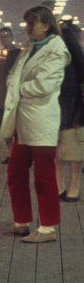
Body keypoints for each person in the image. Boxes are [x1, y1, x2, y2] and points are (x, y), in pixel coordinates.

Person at [0, 5, 70, 243]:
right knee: (15, 172)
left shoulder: (56, 50)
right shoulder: (29, 49)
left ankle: (48, 228)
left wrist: (18, 90)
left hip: (41, 121)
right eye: (27, 23)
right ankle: (22, 222)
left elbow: (44, 86)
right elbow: (13, 76)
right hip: (23, 121)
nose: (28, 28)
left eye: (32, 23)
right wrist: (17, 87)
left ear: (46, 25)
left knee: (44, 176)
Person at [56, 21, 84, 202]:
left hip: (76, 103)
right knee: (60, 145)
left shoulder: (80, 57)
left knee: (70, 145)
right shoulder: (59, 56)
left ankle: (69, 184)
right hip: (59, 102)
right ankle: (67, 184)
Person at [0, 26, 21, 163]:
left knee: (17, 127)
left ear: (12, 37)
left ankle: (19, 154)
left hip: (16, 97)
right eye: (2, 36)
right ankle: (10, 153)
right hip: (1, 98)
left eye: (7, 35)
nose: (4, 38)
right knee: (5, 127)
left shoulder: (20, 54)